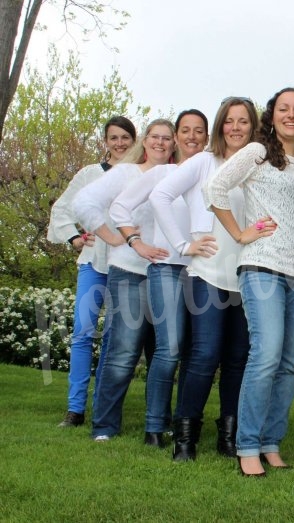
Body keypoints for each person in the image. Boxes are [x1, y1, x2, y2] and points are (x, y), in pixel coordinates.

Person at [205, 87, 294, 478]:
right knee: (266, 354)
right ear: (272, 117)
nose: (292, 115)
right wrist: (240, 234)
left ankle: (272, 441)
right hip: (263, 267)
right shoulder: (256, 153)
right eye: (284, 109)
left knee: (290, 363)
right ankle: (248, 444)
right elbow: (215, 188)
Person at [150, 97, 257, 461]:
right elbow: (160, 195)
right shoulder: (203, 162)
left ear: (253, 126)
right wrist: (183, 245)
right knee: (204, 354)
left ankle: (228, 437)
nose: (236, 128)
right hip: (207, 271)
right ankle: (185, 439)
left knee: (238, 357)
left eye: (244, 121)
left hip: (247, 274)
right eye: (230, 121)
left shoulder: (258, 166)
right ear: (220, 125)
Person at [109, 110, 210, 447]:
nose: (192, 137)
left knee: (195, 352)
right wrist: (136, 243)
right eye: (185, 131)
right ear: (176, 138)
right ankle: (154, 427)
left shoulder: (211, 174)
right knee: (170, 348)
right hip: (167, 268)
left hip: (203, 271)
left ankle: (181, 421)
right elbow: (119, 208)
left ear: (207, 137)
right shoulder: (163, 173)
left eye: (199, 131)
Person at [74, 119, 176, 441]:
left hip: (170, 275)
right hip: (130, 272)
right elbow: (83, 203)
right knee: (122, 352)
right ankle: (104, 426)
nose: (160, 143)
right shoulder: (126, 173)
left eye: (166, 138)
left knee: (165, 353)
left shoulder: (178, 176)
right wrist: (113, 237)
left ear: (174, 144)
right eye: (154, 137)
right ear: (144, 141)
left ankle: (159, 424)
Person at [47, 116, 137, 427]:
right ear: (105, 141)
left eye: (125, 137)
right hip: (93, 261)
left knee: (114, 338)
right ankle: (75, 409)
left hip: (126, 264)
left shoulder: (140, 174)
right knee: (83, 332)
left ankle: (103, 406)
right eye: (114, 137)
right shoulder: (89, 175)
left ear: (134, 139)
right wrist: (74, 237)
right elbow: (62, 208)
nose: (120, 143)